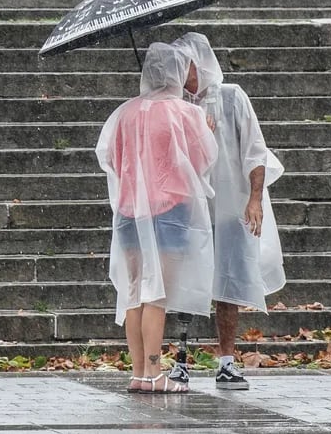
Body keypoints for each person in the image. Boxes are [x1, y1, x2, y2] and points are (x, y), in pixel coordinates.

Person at [95, 42, 218, 394]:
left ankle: (138, 371)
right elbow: (202, 159)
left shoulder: (124, 113)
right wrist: (205, 127)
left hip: (130, 211)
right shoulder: (185, 113)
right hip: (170, 211)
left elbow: (112, 160)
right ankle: (154, 371)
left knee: (134, 292)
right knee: (158, 295)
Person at [170, 32, 287, 390]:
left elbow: (255, 150)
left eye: (185, 65)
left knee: (229, 282)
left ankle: (226, 360)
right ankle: (181, 358)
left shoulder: (231, 98)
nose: (181, 72)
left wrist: (254, 198)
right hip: (191, 206)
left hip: (228, 205)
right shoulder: (172, 103)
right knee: (184, 282)